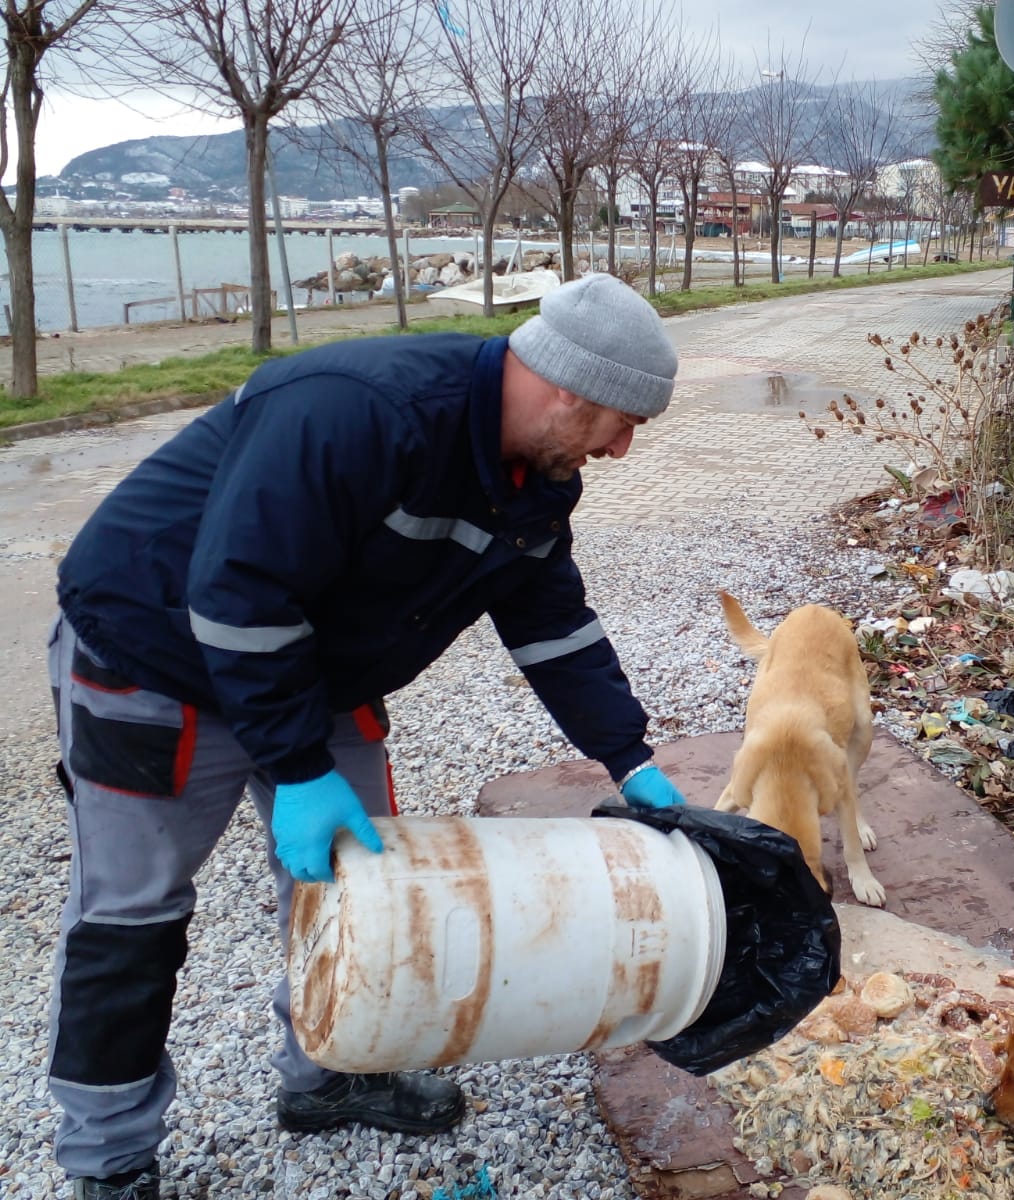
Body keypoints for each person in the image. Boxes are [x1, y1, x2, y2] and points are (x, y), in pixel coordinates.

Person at [45, 273, 688, 1200]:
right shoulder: (358, 411)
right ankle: (106, 1160)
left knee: (366, 891)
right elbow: (236, 595)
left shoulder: (537, 481)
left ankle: (329, 1072)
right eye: (620, 423)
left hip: (314, 664)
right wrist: (299, 768)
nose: (622, 449)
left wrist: (630, 758)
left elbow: (551, 624)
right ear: (567, 391)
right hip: (152, 653)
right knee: (131, 916)